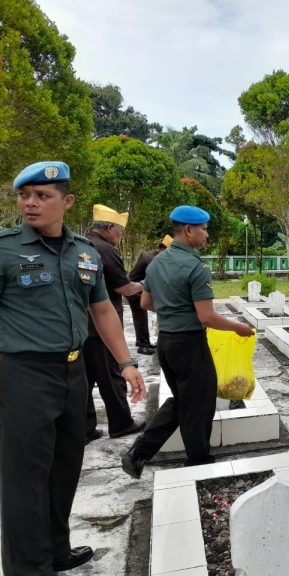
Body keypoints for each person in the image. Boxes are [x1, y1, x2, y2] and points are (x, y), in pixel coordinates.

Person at [0, 161, 145, 575]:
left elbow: (101, 309)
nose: (30, 204)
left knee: (66, 464)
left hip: (73, 371)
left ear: (67, 201)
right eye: (24, 196)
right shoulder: (6, 249)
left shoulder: (84, 252)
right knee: (25, 476)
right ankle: (28, 567)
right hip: (22, 373)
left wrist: (127, 363)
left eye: (42, 196)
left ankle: (56, 549)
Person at [121, 205, 253, 479]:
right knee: (200, 403)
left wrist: (173, 310)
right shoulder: (196, 266)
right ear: (189, 230)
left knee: (184, 400)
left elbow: (145, 302)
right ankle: (198, 462)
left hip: (166, 344)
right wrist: (238, 328)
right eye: (204, 229)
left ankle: (139, 454)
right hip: (190, 345)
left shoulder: (156, 262)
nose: (206, 235)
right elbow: (206, 316)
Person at [84, 204, 146, 443]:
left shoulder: (82, 244)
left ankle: (86, 428)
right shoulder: (105, 249)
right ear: (109, 227)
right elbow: (124, 287)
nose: (120, 238)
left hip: (83, 326)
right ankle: (121, 423)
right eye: (119, 232)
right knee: (112, 377)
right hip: (102, 327)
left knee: (86, 380)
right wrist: (146, 285)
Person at [127, 234, 173, 355]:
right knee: (140, 317)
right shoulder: (150, 258)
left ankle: (144, 342)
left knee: (144, 315)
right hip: (134, 290)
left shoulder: (157, 256)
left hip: (141, 288)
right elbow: (156, 280)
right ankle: (143, 345)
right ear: (164, 248)